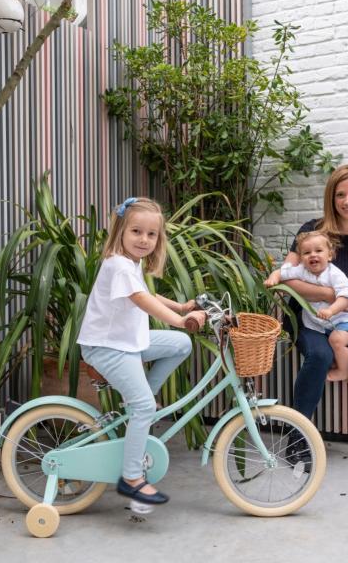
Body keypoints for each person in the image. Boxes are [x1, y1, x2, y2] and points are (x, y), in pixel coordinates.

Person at [76, 197, 206, 506]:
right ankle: (132, 478)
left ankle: (140, 401)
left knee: (181, 344)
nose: (144, 239)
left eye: (151, 234)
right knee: (145, 407)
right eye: (136, 231)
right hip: (107, 348)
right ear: (120, 229)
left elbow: (148, 292)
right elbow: (140, 299)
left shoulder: (128, 263)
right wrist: (179, 320)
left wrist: (182, 306)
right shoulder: (119, 264)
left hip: (127, 341)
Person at [265, 165, 348, 471]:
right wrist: (327, 297)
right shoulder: (313, 231)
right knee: (319, 355)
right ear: (331, 197)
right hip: (310, 319)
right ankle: (297, 436)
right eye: (340, 194)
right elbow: (288, 278)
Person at [270, 230, 348, 383]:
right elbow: (283, 272)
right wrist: (274, 278)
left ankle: (343, 371)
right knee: (320, 351)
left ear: (329, 255)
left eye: (318, 251)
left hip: (344, 321)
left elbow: (346, 298)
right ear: (301, 258)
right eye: (307, 252)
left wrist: (331, 310)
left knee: (336, 341)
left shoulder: (335, 274)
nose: (313, 255)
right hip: (318, 323)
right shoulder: (301, 271)